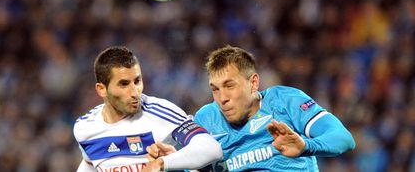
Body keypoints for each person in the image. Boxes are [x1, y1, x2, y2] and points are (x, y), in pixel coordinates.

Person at [148, 45, 356, 171]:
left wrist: (305, 147)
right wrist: (173, 163)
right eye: (215, 89)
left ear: (254, 82)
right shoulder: (206, 119)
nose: (222, 98)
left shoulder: (284, 100)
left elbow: (343, 138)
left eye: (229, 86)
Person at [73, 46, 222, 172]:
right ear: (101, 90)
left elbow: (211, 148)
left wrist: (162, 163)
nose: (134, 92)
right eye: (124, 84)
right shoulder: (85, 128)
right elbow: (89, 164)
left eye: (137, 81)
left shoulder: (158, 112)